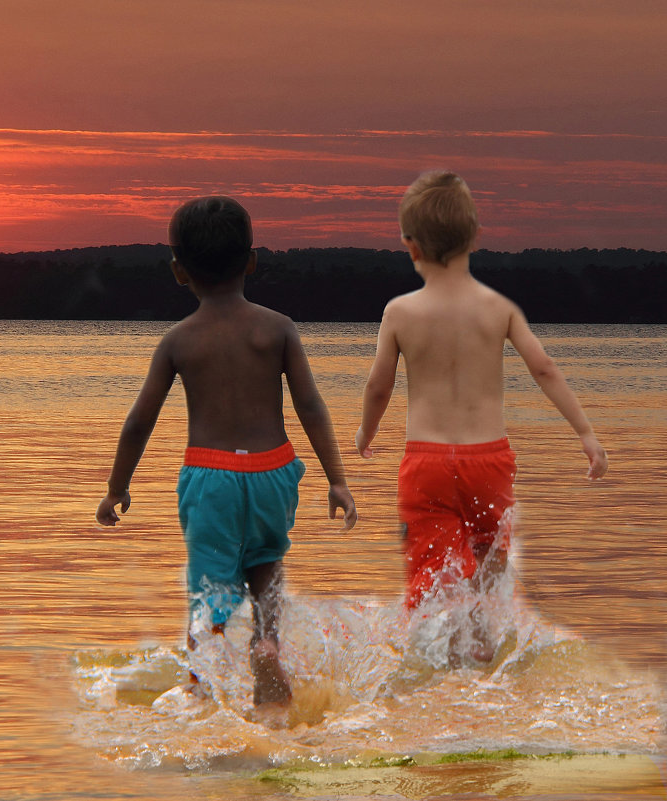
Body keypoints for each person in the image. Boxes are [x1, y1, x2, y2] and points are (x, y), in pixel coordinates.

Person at [96, 196, 356, 708]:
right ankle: (268, 642)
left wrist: (116, 487)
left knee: (209, 590)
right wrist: (337, 479)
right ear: (252, 261)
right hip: (273, 471)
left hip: (211, 477)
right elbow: (311, 405)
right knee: (266, 561)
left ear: (178, 271)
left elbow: (139, 421)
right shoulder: (277, 328)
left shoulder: (178, 340)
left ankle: (201, 690)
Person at [355, 170, 608, 663]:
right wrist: (587, 434)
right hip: (489, 462)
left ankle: (443, 663)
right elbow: (545, 369)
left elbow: (377, 385)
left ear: (411, 247)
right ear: (475, 238)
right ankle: (485, 647)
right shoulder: (499, 308)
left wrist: (366, 430)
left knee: (437, 571)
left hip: (426, 465)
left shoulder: (399, 312)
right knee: (490, 567)